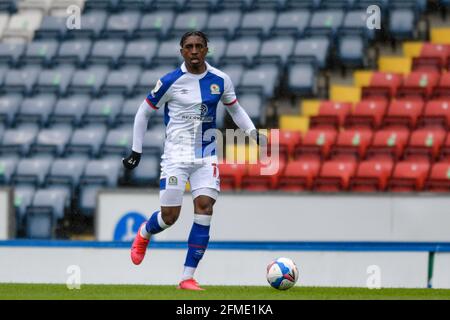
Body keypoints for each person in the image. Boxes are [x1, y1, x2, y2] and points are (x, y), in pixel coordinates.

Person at [123, 30, 266, 291]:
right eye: (189, 46)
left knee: (205, 207)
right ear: (182, 51)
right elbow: (143, 113)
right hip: (176, 157)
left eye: (199, 46)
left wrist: (255, 134)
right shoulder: (169, 81)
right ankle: (145, 232)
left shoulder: (220, 80)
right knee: (169, 217)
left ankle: (187, 277)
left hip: (206, 155)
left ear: (206, 49)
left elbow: (236, 109)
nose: (194, 51)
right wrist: (136, 150)